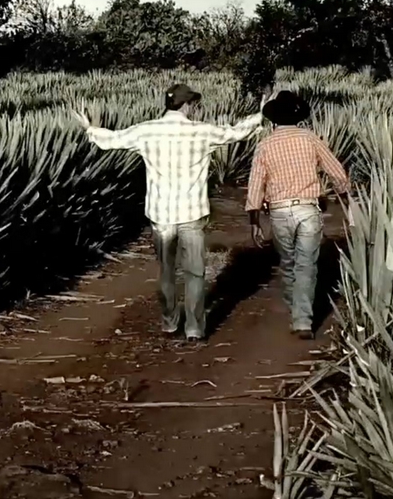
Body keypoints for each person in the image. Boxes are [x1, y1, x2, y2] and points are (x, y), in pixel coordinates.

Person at [72, 84, 267, 343]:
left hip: (161, 213)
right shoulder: (201, 131)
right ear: (187, 105)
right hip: (192, 212)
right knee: (195, 271)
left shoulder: (146, 130)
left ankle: (169, 321)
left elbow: (112, 140)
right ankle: (195, 328)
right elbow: (235, 134)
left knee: (166, 270)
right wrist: (260, 114)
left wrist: (89, 128)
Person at [245, 90, 351, 340]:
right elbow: (336, 171)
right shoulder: (309, 138)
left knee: (289, 262)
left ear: (273, 120)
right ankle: (302, 320)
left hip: (279, 211)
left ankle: (297, 311)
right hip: (307, 209)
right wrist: (346, 196)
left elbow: (255, 184)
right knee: (306, 264)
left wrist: (254, 220)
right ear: (297, 116)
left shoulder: (265, 144)